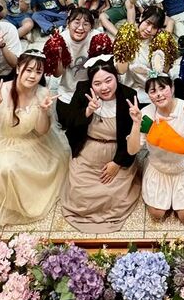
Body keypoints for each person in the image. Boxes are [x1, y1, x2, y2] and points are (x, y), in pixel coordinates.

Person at [0, 51, 70, 225]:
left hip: (33, 141)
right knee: (7, 168)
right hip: (4, 142)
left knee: (58, 161)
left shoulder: (43, 93)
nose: (33, 76)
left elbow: (42, 131)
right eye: (29, 70)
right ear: (18, 69)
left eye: (38, 72)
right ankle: (13, 203)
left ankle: (30, 199)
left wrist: (43, 111)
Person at [57, 58, 143, 233]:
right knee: (80, 194)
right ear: (91, 84)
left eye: (108, 80)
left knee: (112, 195)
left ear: (116, 78)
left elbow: (132, 137)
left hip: (117, 152)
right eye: (97, 83)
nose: (104, 87)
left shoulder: (129, 96)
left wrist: (117, 163)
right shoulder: (83, 91)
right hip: (88, 150)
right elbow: (69, 122)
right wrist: (87, 111)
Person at [126, 73, 184, 223]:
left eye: (162, 88)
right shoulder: (146, 114)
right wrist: (136, 124)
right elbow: (132, 150)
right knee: (157, 214)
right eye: (153, 91)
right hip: (159, 167)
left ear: (172, 88)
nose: (158, 94)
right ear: (148, 95)